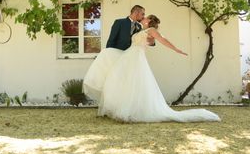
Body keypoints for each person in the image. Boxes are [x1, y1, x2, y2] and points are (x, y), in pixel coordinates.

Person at [83, 15, 220, 122]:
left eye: (146, 17)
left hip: (136, 58)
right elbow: (147, 42)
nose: (143, 18)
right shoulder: (142, 30)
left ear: (149, 21)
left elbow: (161, 39)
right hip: (129, 56)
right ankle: (124, 109)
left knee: (134, 82)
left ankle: (130, 112)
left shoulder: (151, 30)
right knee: (118, 73)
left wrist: (176, 49)